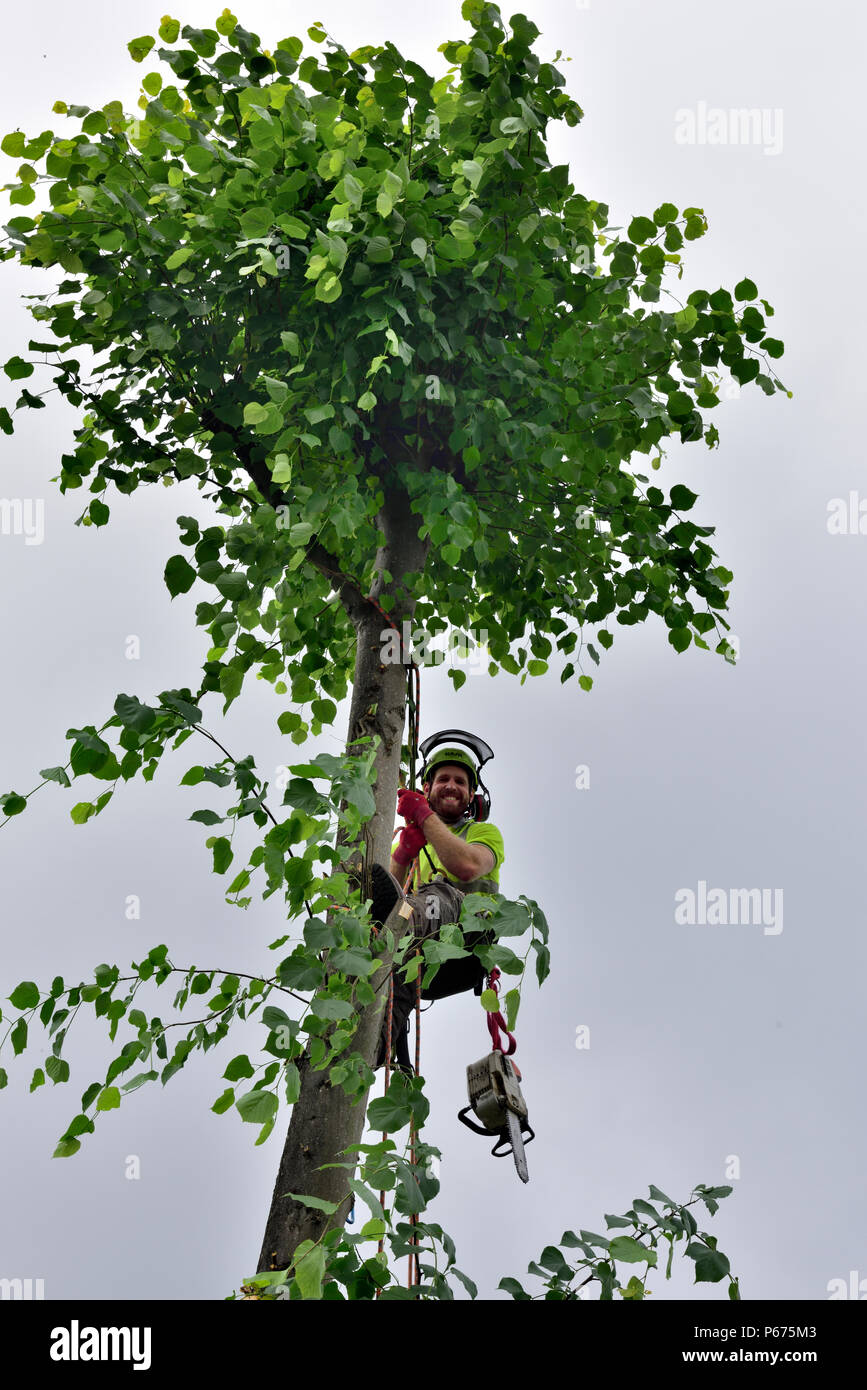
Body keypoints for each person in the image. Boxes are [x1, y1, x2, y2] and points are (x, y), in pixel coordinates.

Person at [369, 747, 505, 1071]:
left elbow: (468, 866)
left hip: (465, 945)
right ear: (427, 788)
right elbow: (388, 893)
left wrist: (424, 817)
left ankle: (395, 933)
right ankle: (372, 1049)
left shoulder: (482, 834)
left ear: (472, 794)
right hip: (420, 961)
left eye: (460, 781)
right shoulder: (416, 839)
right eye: (443, 778)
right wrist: (402, 853)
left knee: (438, 892)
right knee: (392, 974)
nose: (451, 785)